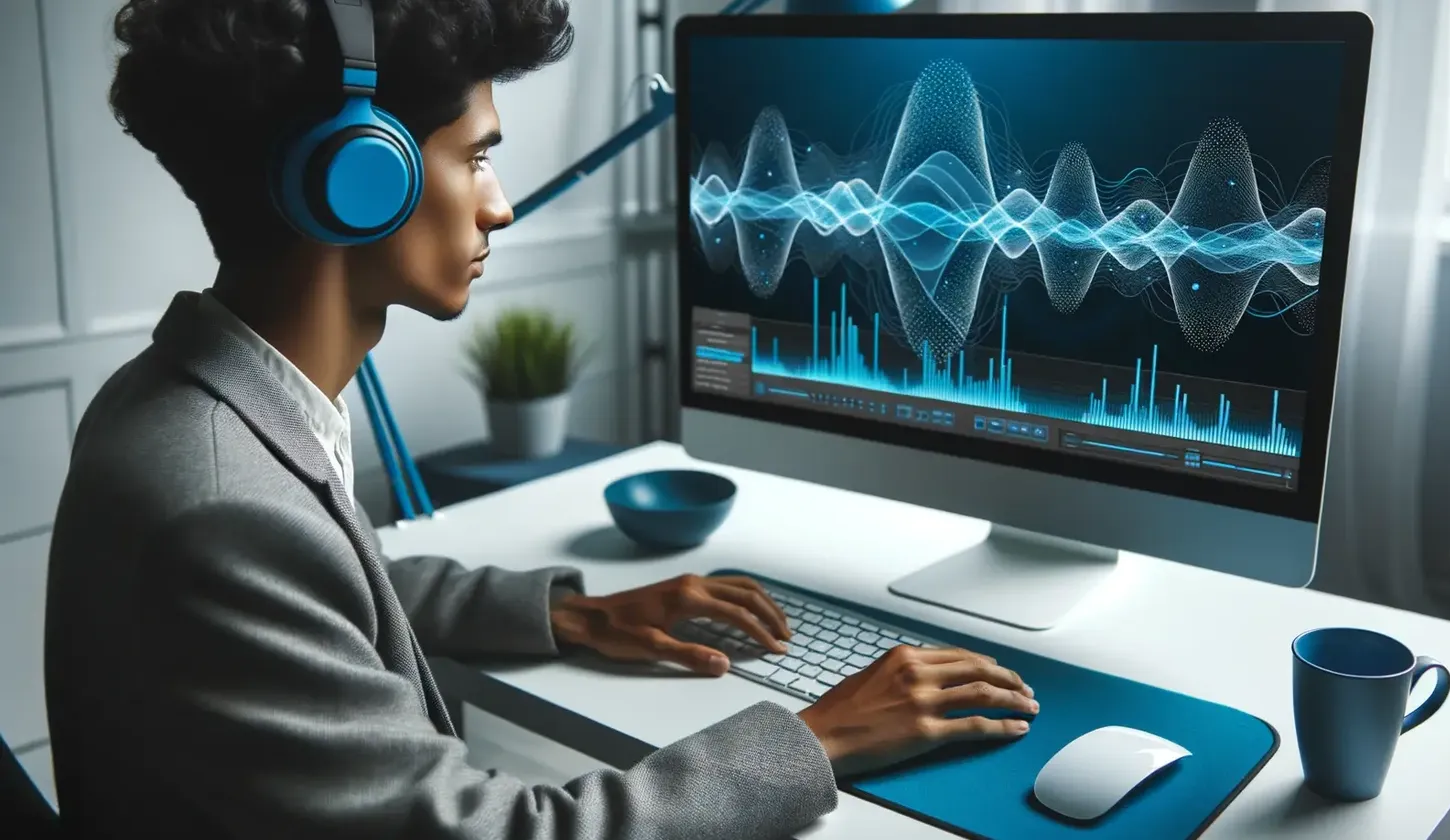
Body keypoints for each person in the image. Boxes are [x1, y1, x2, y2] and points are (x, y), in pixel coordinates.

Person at [41, 1, 1040, 838]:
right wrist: (816, 739)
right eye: (475, 157)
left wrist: (563, 614)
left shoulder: (172, 408)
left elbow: (321, 581)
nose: (501, 206)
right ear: (361, 178)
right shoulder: (217, 506)